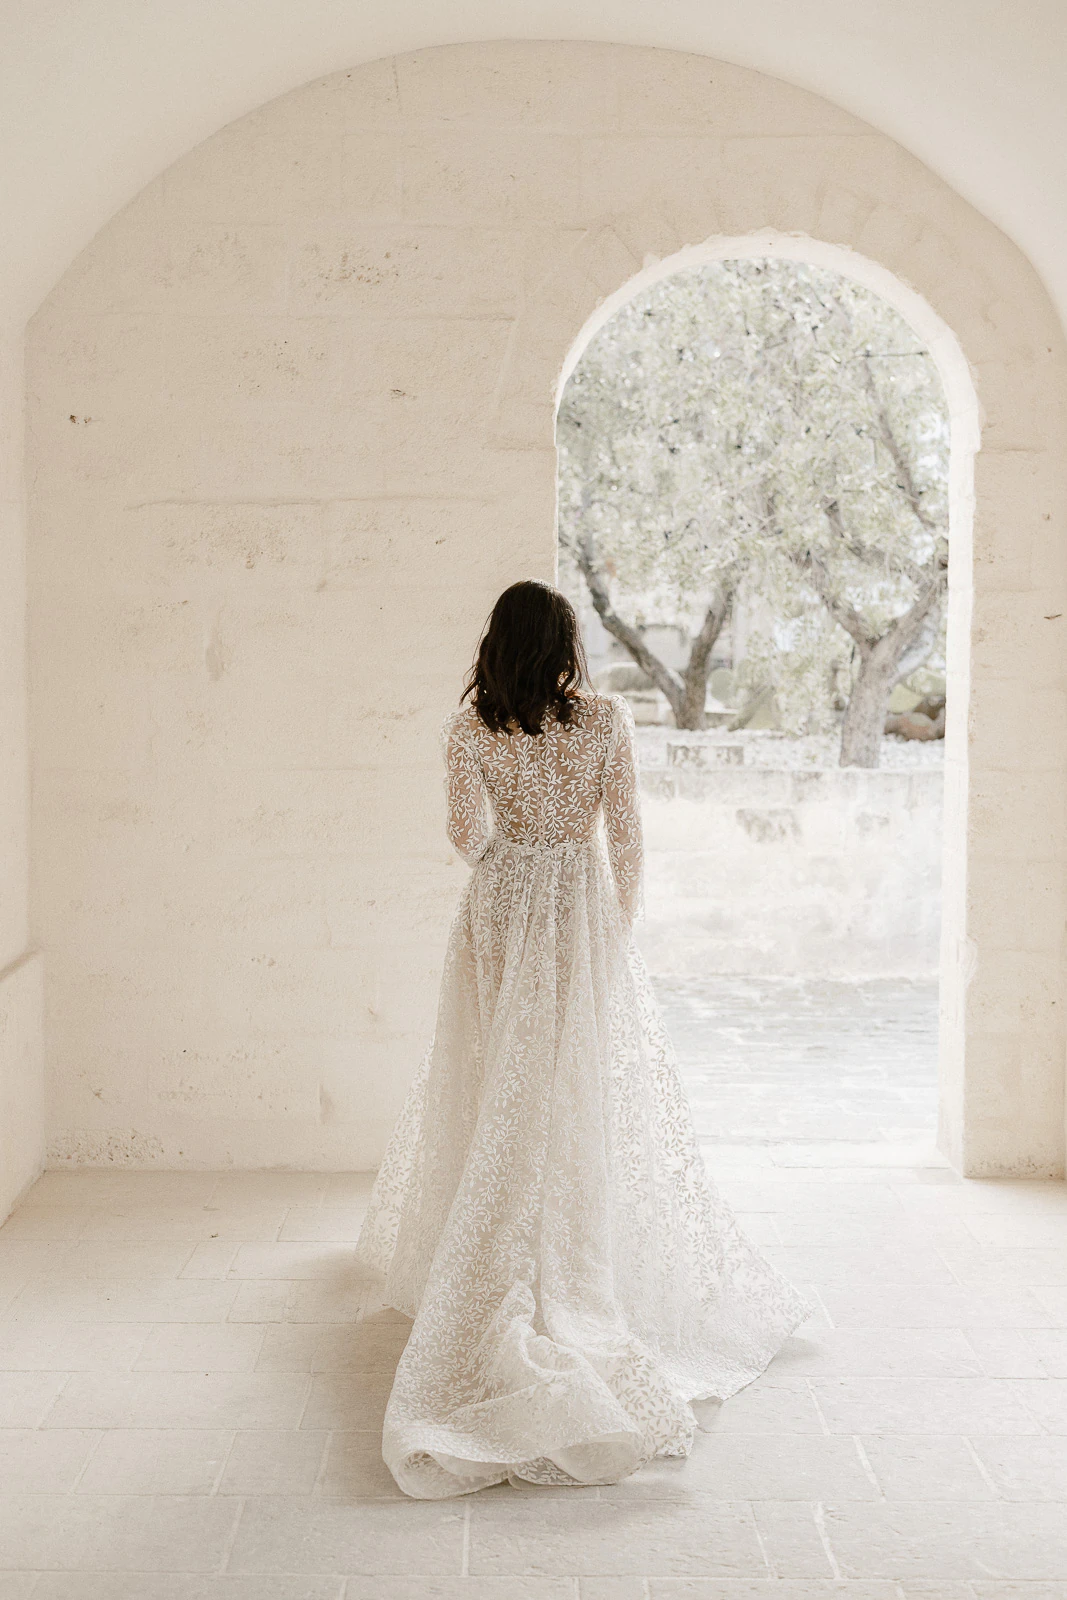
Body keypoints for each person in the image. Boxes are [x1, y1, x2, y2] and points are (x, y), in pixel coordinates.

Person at [354, 579, 813, 1498]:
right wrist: (610, 929)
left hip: (500, 912)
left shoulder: (468, 728)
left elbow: (463, 837)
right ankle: (568, 1236)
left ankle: (494, 1227)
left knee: (500, 1076)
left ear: (495, 644)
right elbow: (629, 839)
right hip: (579, 910)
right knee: (573, 1079)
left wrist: (510, 855)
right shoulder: (605, 721)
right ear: (564, 643)